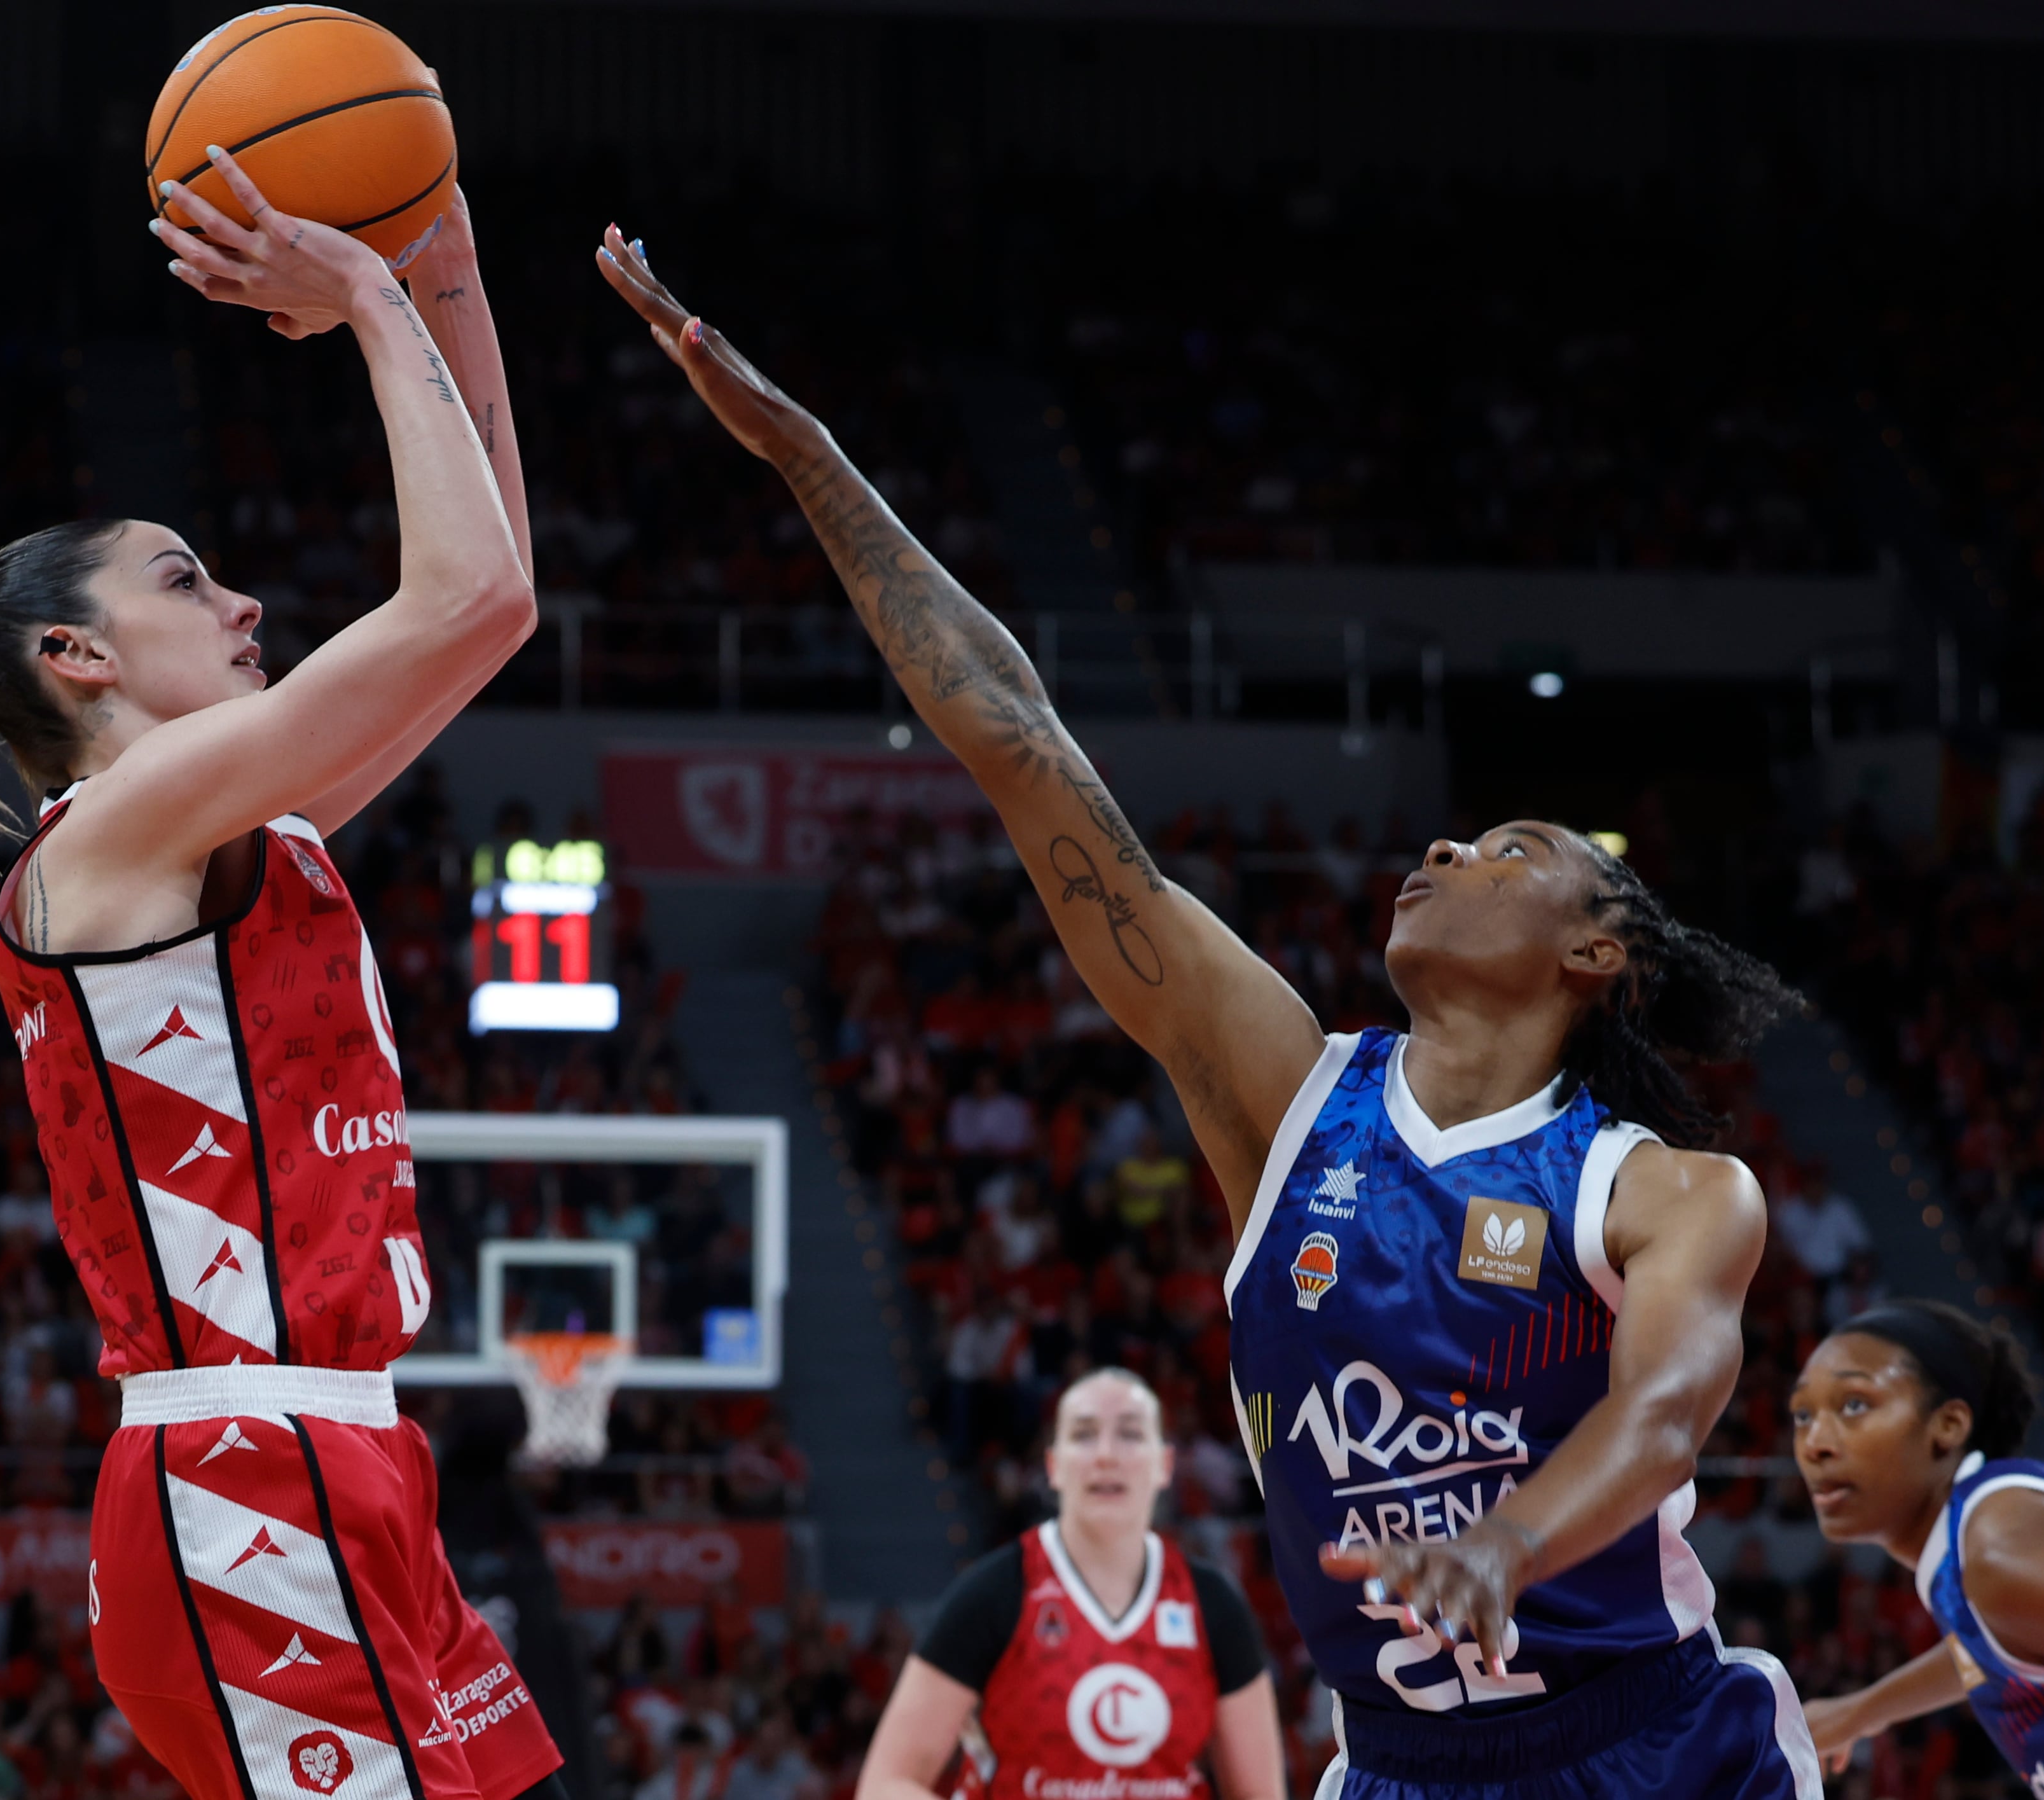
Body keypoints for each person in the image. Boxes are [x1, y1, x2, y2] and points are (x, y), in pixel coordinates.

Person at [598, 233, 1817, 1799]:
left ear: (1595, 954)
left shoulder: (1663, 1189)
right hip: (1393, 1764)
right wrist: (808, 457)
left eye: (1509, 849)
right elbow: (1027, 750)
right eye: (1452, 835)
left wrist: (1502, 1542)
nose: (1442, 848)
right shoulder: (1289, 1101)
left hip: (1651, 1743)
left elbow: (1660, 1420)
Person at [0, 149, 560, 1800]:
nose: (244, 598)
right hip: (246, 1472)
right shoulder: (109, 834)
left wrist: (445, 271)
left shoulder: (220, 821)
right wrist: (363, 296)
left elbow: (497, 612)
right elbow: (465, 590)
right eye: (183, 578)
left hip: (339, 1457)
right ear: (79, 660)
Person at [1792, 1299, 2044, 1797]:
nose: (1815, 1442)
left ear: (1948, 1426)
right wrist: (1861, 1712)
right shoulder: (1982, 1553)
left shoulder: (2001, 1554)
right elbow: (1999, 1644)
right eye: (1801, 1414)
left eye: (1854, 1404)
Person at [855, 1369, 1281, 1800]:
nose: (1106, 1455)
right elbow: (886, 1785)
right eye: (1084, 1434)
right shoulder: (993, 1594)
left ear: (1164, 1465)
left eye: (1131, 1434)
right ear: (1054, 1466)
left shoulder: (1213, 1604)